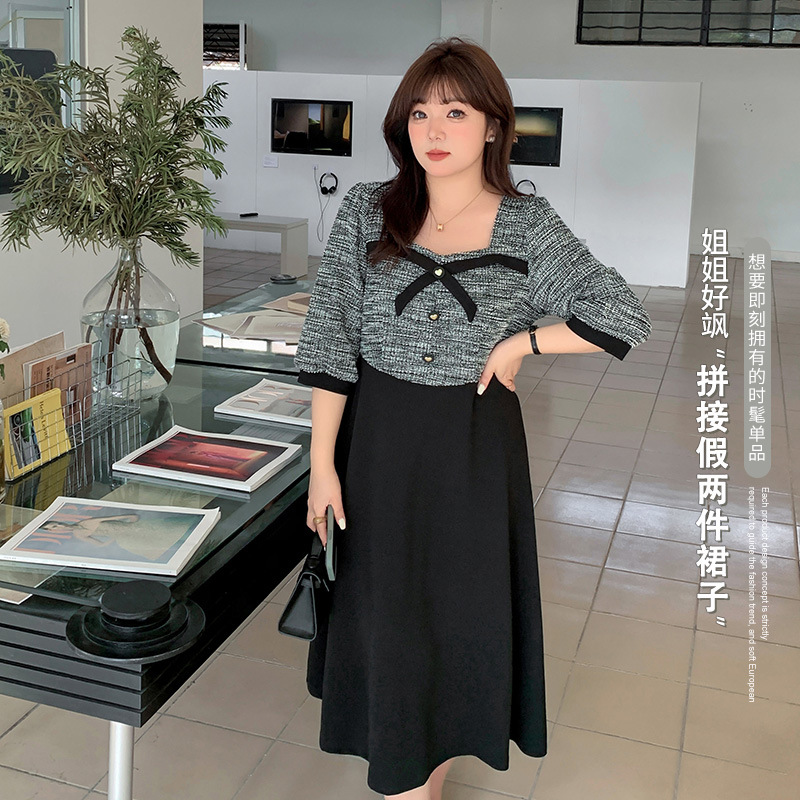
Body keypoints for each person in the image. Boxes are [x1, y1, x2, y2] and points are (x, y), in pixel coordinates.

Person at [293, 36, 652, 800]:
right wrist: (322, 465)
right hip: (379, 447)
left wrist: (524, 341)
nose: (435, 129)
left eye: (455, 112)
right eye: (420, 112)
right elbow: (330, 340)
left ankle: (430, 766)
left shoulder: (527, 224)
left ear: (492, 126)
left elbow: (620, 312)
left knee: (457, 618)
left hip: (474, 452)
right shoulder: (369, 208)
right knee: (389, 617)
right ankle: (406, 775)